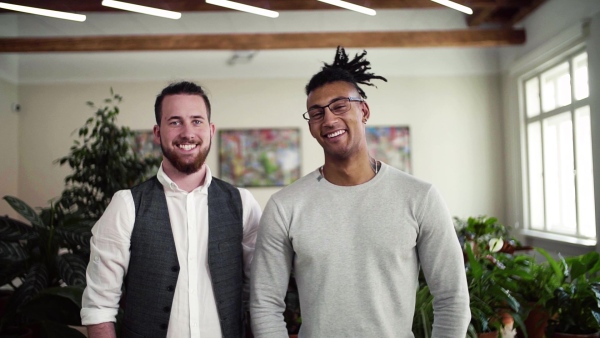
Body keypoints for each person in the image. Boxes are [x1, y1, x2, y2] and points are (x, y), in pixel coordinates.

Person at [249, 47, 470, 337]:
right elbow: (265, 304)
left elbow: (452, 299)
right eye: (317, 113)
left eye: (339, 106)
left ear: (363, 111)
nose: (328, 119)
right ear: (312, 126)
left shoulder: (419, 197)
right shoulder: (285, 206)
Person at [81, 81, 262, 338]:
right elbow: (99, 306)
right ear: (157, 132)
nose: (187, 133)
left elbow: (261, 292)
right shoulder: (126, 205)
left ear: (211, 130)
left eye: (197, 121)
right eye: (175, 122)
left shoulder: (243, 203)